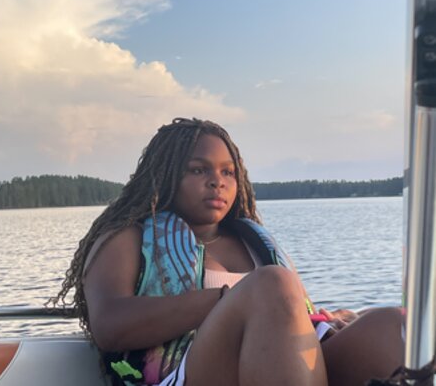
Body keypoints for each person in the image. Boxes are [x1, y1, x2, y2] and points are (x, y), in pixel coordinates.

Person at [53, 117, 403, 386]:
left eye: (228, 172)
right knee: (272, 284)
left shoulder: (254, 243)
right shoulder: (126, 237)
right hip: (181, 374)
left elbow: (289, 314)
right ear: (163, 175)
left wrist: (326, 319)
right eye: (198, 170)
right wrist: (224, 300)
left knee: (391, 325)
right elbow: (109, 325)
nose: (217, 181)